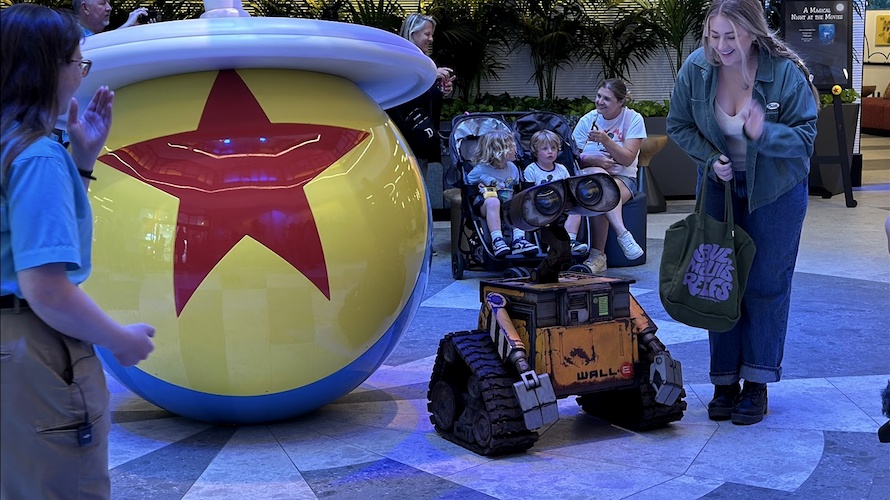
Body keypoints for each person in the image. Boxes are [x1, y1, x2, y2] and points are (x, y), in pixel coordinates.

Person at [1, 4, 156, 498]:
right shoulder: (37, 156)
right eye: (77, 61)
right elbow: (46, 288)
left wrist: (83, 161)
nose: (81, 73)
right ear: (46, 69)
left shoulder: (13, 146)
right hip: (35, 354)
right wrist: (120, 340)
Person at [667, 0, 819, 426]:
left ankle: (756, 382)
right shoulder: (697, 69)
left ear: (753, 32)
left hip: (775, 192)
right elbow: (679, 124)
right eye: (714, 36)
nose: (721, 46)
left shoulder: (785, 72)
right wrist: (708, 158)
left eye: (731, 37)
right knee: (718, 283)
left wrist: (762, 132)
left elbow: (804, 142)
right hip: (719, 190)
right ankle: (724, 383)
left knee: (765, 286)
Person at [572, 78, 646, 272]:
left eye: (606, 99)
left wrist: (606, 141)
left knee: (602, 191)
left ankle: (598, 256)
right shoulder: (588, 120)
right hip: (589, 177)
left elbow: (628, 159)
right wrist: (594, 160)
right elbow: (572, 157)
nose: (599, 101)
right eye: (598, 96)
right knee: (599, 184)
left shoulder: (633, 119)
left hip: (623, 178)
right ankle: (622, 234)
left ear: (621, 101)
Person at [467, 129, 538, 258]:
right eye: (512, 146)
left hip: (507, 203)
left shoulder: (513, 168)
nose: (516, 149)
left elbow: (515, 186)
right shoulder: (480, 170)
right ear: (499, 151)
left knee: (519, 202)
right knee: (493, 201)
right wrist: (478, 186)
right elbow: (468, 184)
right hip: (487, 205)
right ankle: (497, 240)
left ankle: (519, 239)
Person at [523, 129, 589, 256]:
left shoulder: (562, 169)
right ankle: (553, 243)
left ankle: (570, 240)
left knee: (576, 212)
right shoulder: (531, 170)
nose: (550, 151)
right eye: (545, 149)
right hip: (541, 206)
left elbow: (569, 188)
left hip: (562, 203)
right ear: (536, 151)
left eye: (553, 148)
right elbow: (528, 194)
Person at [74, 0, 151, 36]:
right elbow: (94, 45)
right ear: (85, 8)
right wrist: (126, 26)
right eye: (102, 3)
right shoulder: (72, 36)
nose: (109, 8)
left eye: (109, 3)